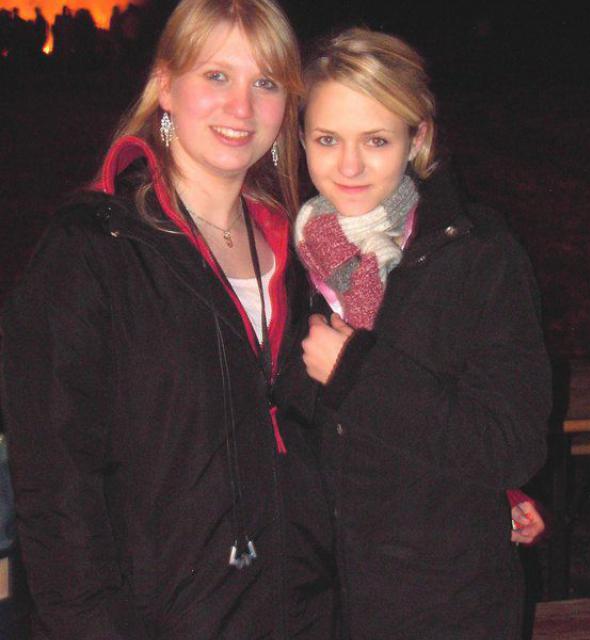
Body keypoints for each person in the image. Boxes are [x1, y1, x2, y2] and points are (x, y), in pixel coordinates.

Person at [0, 0, 337, 638]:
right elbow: (56, 490)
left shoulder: (304, 252)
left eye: (265, 82)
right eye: (216, 75)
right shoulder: (93, 251)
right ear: (164, 86)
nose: (241, 107)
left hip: (304, 615)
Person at [293, 27, 551, 638]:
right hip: (320, 601)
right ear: (300, 139)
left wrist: (357, 373)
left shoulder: (478, 257)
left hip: (443, 606)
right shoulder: (288, 255)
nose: (349, 165)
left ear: (418, 138)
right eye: (328, 139)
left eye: (376, 140)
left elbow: (512, 443)